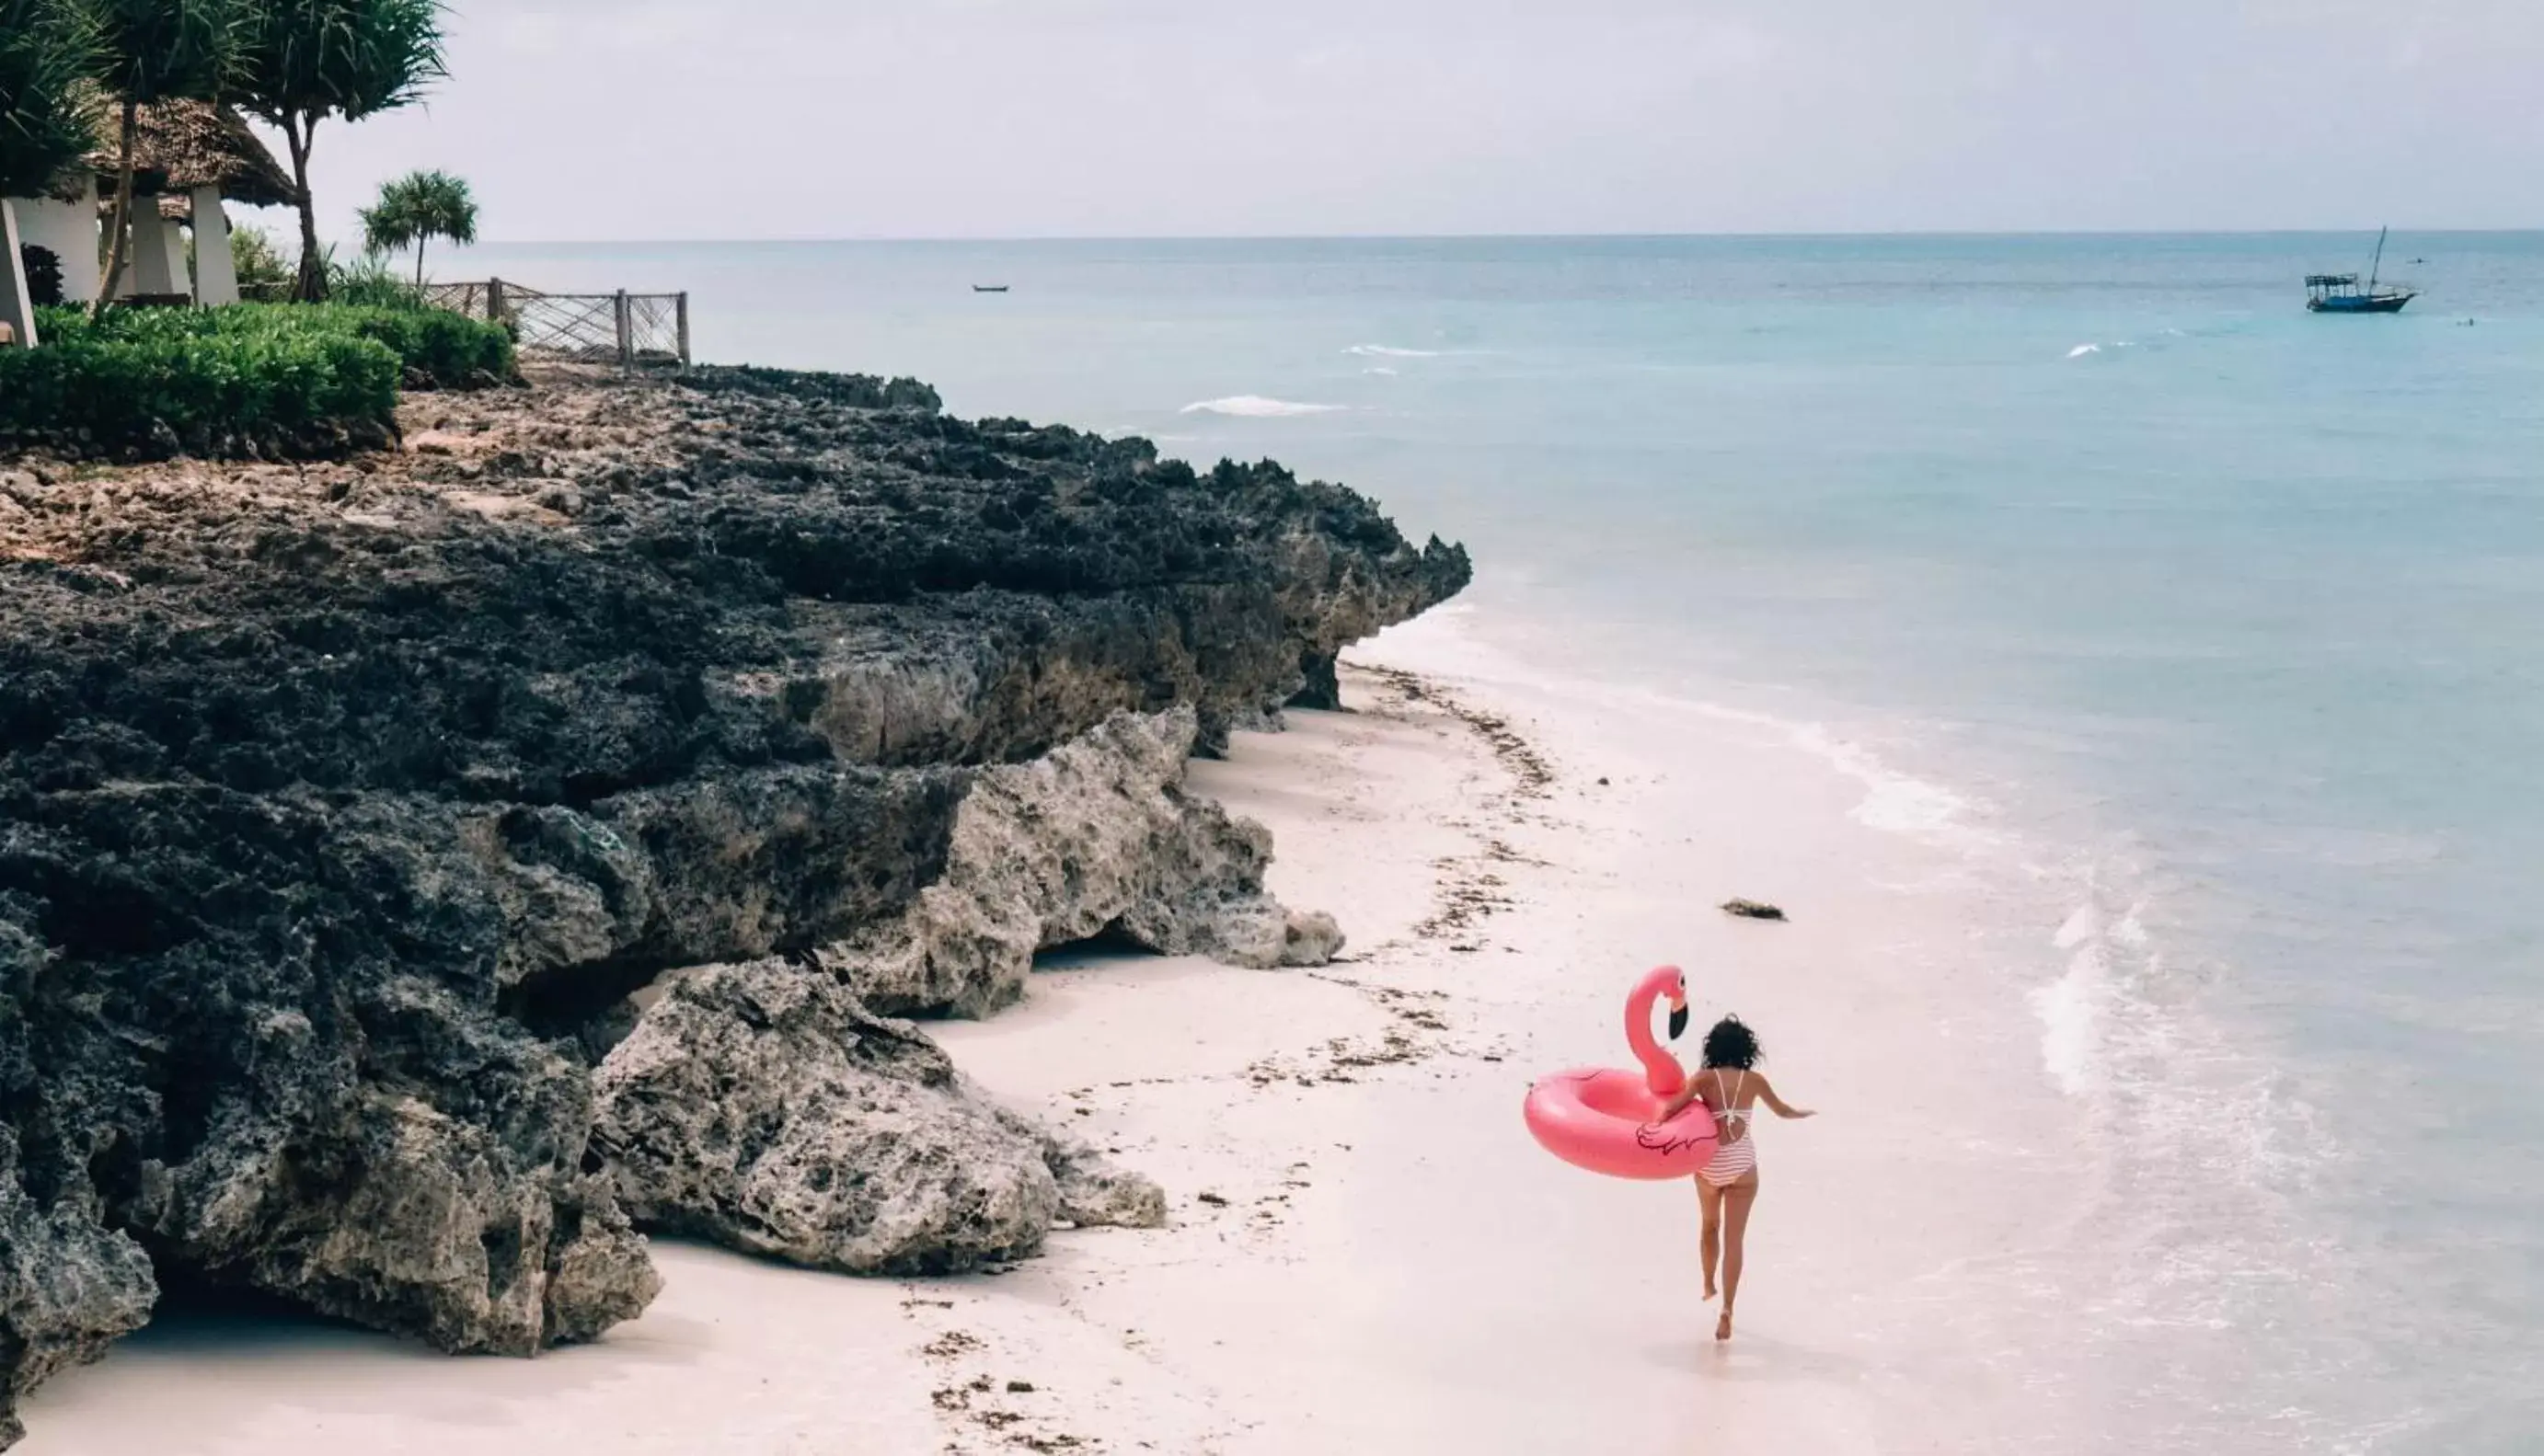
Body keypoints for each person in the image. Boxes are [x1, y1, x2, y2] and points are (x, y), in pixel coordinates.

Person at [1653, 1015, 1813, 1341]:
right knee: (1734, 1240)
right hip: (1743, 1165)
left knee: (1710, 1225)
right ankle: (1727, 1309)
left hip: (1711, 1164)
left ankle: (1708, 1283)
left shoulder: (1702, 1079)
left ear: (1712, 1047)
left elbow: (1671, 1109)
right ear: (1746, 1048)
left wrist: (1650, 1127)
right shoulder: (1754, 1081)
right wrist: (1804, 1113)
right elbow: (1782, 1111)